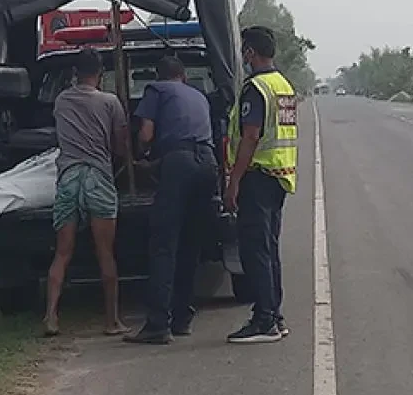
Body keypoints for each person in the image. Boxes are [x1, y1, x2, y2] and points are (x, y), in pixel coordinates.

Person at [124, 56, 219, 345]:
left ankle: (157, 324)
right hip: (208, 163)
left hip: (179, 164)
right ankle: (182, 318)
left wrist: (141, 155)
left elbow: (147, 134)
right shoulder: (198, 95)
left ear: (159, 75)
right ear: (184, 76)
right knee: (190, 243)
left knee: (164, 245)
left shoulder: (156, 90)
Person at [43, 48, 131, 337]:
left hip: (68, 178)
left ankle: (51, 316)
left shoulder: (61, 100)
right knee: (105, 252)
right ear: (100, 73)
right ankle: (112, 321)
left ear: (74, 73)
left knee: (62, 252)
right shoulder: (110, 102)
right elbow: (120, 146)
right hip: (98, 178)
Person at [224, 26, 298, 344]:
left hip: (257, 176)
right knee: (269, 249)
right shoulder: (283, 85)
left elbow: (251, 136)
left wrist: (234, 181)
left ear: (251, 53)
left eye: (244, 50)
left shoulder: (256, 88)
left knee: (255, 251)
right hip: (279, 177)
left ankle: (264, 319)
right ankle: (274, 315)